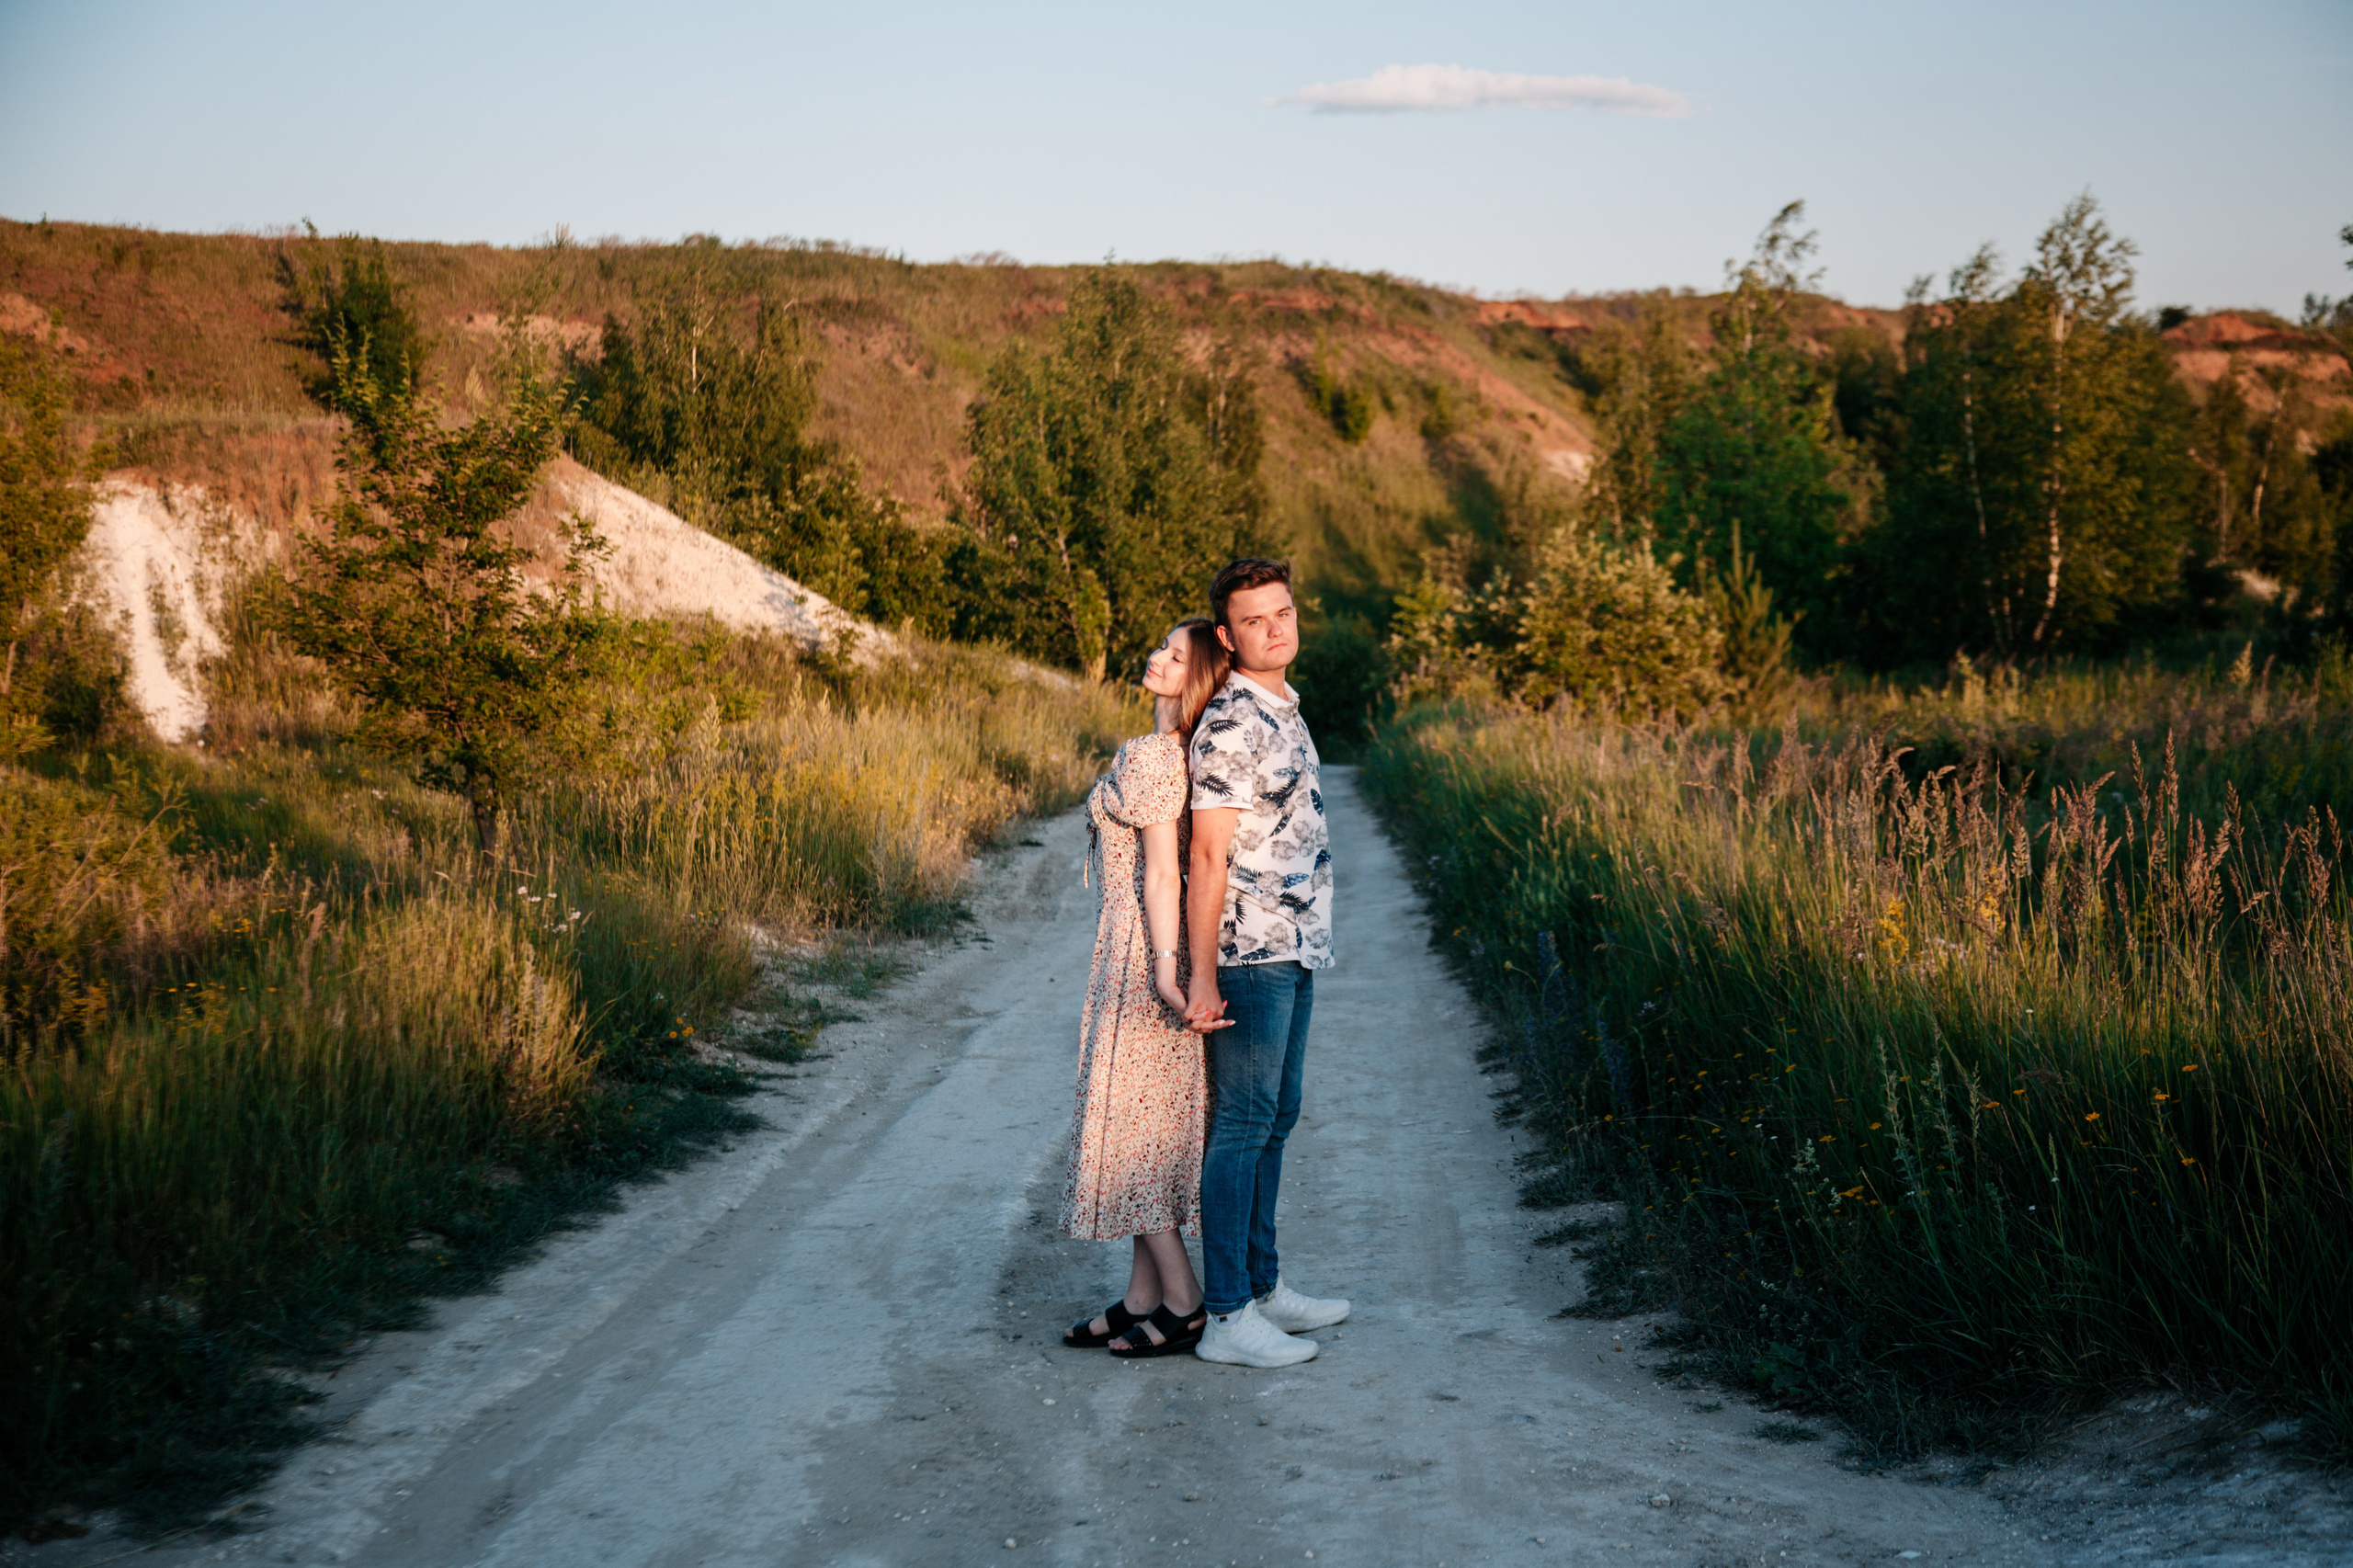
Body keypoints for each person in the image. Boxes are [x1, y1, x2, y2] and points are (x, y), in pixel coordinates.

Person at [1182, 558, 1349, 1369]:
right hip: (1249, 952)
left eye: (1282, 612)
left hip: (1297, 941)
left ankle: (1263, 1285)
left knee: (1277, 1117)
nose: (1274, 628)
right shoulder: (1229, 725)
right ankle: (1226, 1317)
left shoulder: (1284, 706)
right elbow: (1207, 858)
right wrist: (1205, 972)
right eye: (1254, 620)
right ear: (1228, 635)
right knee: (1243, 1127)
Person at [1059, 618, 1234, 1359]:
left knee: (1133, 1132)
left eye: (1174, 654)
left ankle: (1185, 1302)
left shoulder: (1158, 756)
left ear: (1196, 677)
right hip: (1131, 946)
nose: (1156, 658)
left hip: (1141, 953)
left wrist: (1166, 970)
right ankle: (1144, 1295)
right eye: (1160, 647)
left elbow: (1165, 871)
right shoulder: (1173, 750)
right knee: (1145, 1123)